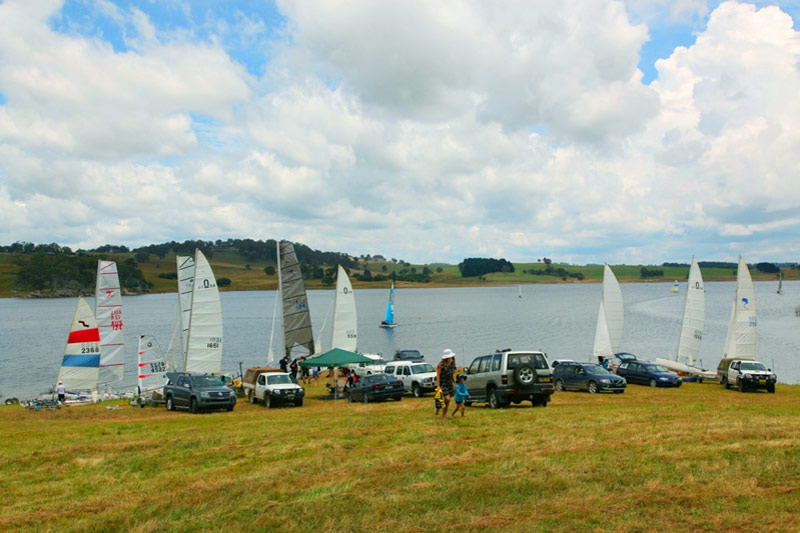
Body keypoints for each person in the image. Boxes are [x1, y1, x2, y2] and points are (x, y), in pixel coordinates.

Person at [436, 348, 457, 418]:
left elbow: (452, 374)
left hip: (449, 383)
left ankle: (443, 415)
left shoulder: (452, 364)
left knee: (447, 401)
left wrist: (454, 383)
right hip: (443, 384)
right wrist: (438, 386)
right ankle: (438, 407)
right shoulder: (441, 365)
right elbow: (438, 376)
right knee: (447, 398)